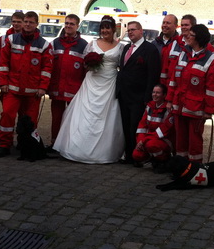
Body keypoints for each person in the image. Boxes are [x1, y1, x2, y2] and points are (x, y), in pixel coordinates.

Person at [53, 15, 124, 163]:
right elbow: (84, 63)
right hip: (92, 82)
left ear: (113, 29)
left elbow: (121, 66)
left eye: (108, 28)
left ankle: (104, 151)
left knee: (106, 116)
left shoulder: (120, 47)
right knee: (85, 114)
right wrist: (90, 63)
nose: (105, 31)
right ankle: (78, 147)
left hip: (109, 84)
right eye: (102, 28)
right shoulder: (92, 44)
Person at [0, 11, 53, 158]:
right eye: (26, 21)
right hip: (12, 89)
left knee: (31, 121)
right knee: (7, 116)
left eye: (31, 22)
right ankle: (4, 145)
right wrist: (3, 83)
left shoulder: (44, 45)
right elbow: (3, 63)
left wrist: (42, 87)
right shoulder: (11, 40)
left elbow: (46, 69)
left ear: (36, 24)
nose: (27, 24)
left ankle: (26, 145)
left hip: (33, 92)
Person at [167, 24, 214, 163]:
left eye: (191, 35)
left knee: (194, 142)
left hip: (196, 109)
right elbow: (174, 80)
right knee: (180, 141)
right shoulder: (183, 54)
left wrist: (209, 110)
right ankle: (181, 167)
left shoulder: (210, 60)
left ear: (199, 38)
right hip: (179, 106)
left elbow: (212, 89)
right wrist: (169, 100)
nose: (187, 37)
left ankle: (195, 169)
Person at [117, 21, 161, 164]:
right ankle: (128, 154)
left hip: (139, 96)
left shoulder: (150, 49)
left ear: (141, 31)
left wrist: (148, 97)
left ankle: (138, 156)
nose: (130, 32)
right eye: (128, 30)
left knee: (135, 128)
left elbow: (152, 75)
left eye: (133, 29)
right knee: (125, 126)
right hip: (124, 95)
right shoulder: (126, 48)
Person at [48, 14, 88, 143]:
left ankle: (69, 144)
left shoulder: (84, 45)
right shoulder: (55, 43)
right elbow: (48, 65)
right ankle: (54, 143)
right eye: (66, 23)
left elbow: (86, 70)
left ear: (77, 26)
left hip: (74, 91)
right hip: (57, 88)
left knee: (72, 119)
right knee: (56, 118)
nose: (68, 26)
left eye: (71, 24)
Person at [132, 83, 175, 169]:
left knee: (151, 145)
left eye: (158, 93)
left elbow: (163, 131)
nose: (154, 94)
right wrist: (140, 141)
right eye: (153, 92)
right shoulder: (150, 106)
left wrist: (144, 141)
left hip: (163, 139)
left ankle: (163, 160)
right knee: (136, 155)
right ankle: (151, 159)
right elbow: (142, 126)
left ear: (164, 95)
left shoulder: (168, 109)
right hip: (149, 138)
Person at [152, 14, 180, 83]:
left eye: (168, 23)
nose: (164, 25)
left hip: (171, 83)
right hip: (155, 82)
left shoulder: (180, 44)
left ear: (175, 26)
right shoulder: (154, 44)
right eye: (163, 23)